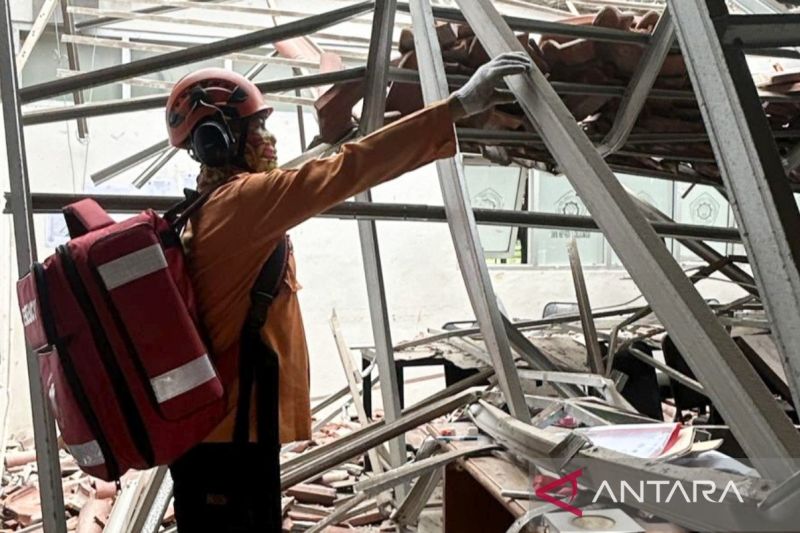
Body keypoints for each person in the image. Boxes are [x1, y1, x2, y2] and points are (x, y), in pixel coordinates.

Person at [163, 52, 533, 532]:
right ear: (219, 142)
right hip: (228, 443)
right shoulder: (245, 203)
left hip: (225, 435)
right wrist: (456, 107)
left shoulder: (213, 204)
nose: (271, 139)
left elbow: (315, 167)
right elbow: (350, 168)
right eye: (257, 128)